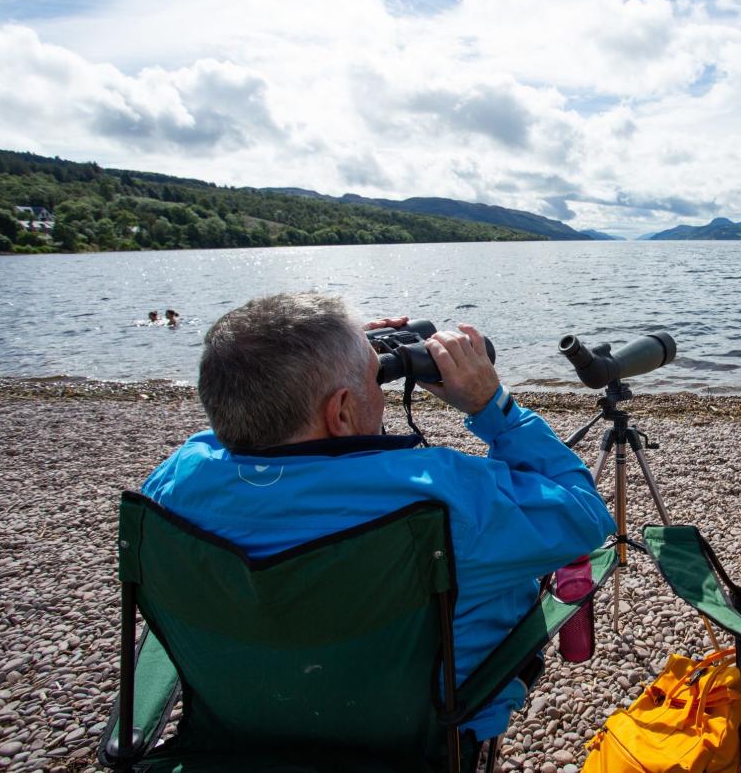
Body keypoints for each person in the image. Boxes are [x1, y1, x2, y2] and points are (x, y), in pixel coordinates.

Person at [141, 292, 615, 742]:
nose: (381, 391)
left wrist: (327, 361)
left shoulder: (174, 485)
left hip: (242, 726)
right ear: (342, 411)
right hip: (421, 737)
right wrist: (495, 409)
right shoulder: (446, 500)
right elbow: (586, 513)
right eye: (375, 379)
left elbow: (277, 438)